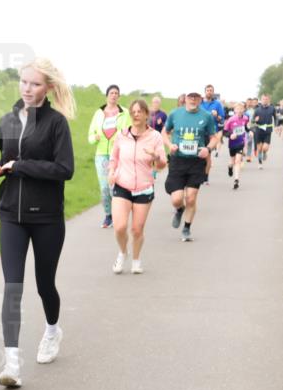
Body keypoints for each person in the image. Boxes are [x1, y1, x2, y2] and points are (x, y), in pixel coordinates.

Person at [0, 58, 75, 388]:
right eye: (24, 82)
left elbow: (64, 169)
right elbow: (5, 157)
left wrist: (21, 166)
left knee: (44, 285)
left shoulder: (56, 124)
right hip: (11, 214)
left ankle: (53, 330)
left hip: (47, 218)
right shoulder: (7, 121)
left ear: (48, 88)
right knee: (12, 288)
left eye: (34, 84)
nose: (27, 88)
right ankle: (12, 363)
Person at [107, 100, 167, 274]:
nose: (136, 114)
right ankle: (122, 252)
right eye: (133, 111)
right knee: (119, 227)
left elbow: (162, 165)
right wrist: (111, 172)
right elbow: (114, 158)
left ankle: (136, 259)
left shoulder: (155, 136)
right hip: (122, 184)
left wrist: (156, 156)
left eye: (140, 111)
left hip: (143, 186)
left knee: (137, 229)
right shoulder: (121, 135)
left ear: (147, 114)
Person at [163, 91, 219, 242]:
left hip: (196, 161)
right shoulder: (175, 114)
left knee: (191, 198)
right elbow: (165, 132)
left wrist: (208, 149)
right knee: (176, 199)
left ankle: (186, 228)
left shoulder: (206, 116)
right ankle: (179, 209)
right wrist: (170, 145)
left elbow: (214, 137)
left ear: (200, 99)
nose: (193, 99)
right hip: (178, 160)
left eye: (196, 97)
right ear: (185, 99)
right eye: (190, 97)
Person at [87, 85, 129, 228]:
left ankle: (118, 214)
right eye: (111, 93)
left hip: (118, 154)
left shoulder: (125, 113)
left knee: (116, 186)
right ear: (107, 95)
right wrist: (95, 137)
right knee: (105, 188)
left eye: (117, 93)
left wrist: (124, 138)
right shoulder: (98, 113)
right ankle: (108, 215)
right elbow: (90, 136)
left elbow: (130, 131)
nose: (114, 95)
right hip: (101, 155)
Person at [224, 102, 250, 190]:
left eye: (241, 109)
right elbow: (225, 131)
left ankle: (236, 180)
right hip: (232, 144)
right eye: (237, 109)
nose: (239, 111)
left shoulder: (246, 118)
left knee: (238, 161)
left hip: (240, 143)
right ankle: (230, 168)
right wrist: (230, 135)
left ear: (244, 110)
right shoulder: (231, 120)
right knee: (232, 162)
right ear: (234, 110)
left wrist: (250, 131)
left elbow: (246, 127)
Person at [200, 85, 225, 160]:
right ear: (205, 92)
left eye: (211, 90)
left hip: (211, 132)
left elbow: (221, 119)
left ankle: (206, 172)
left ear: (213, 92)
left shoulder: (217, 104)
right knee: (199, 154)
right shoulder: (200, 103)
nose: (209, 92)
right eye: (208, 90)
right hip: (200, 131)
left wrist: (216, 115)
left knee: (207, 155)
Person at [253, 94, 277, 167]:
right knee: (259, 148)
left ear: (269, 100)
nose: (265, 100)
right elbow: (252, 120)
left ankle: (265, 152)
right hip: (258, 130)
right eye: (263, 99)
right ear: (261, 100)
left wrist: (276, 126)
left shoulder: (272, 109)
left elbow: (276, 118)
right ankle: (260, 163)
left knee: (265, 147)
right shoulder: (257, 109)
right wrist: (255, 120)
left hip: (268, 130)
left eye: (266, 99)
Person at [244, 97, 258, 162]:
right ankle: (243, 151)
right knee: (245, 141)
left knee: (250, 141)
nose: (249, 103)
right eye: (248, 102)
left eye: (250, 102)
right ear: (246, 102)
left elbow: (255, 119)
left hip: (252, 127)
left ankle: (248, 156)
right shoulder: (243, 110)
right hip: (243, 127)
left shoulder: (254, 110)